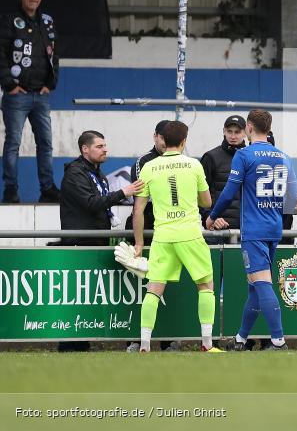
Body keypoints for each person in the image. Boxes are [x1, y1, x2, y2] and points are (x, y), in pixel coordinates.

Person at [206, 109, 297, 352]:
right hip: (274, 227)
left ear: (249, 127)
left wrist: (212, 215)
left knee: (263, 284)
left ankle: (278, 341)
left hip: (254, 230)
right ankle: (240, 339)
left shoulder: (244, 155)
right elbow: (293, 199)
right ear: (268, 129)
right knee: (255, 286)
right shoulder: (284, 156)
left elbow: (228, 192)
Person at [132, 121, 219, 353]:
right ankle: (207, 343)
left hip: (163, 236)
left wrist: (139, 242)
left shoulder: (149, 167)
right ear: (183, 142)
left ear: (163, 140)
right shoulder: (194, 165)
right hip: (190, 234)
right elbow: (207, 202)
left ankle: (144, 345)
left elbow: (138, 209)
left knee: (153, 289)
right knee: (205, 286)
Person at [58, 130, 144, 353]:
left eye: (105, 145)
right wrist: (123, 192)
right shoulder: (75, 173)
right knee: (76, 297)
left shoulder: (97, 174)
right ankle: (70, 346)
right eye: (99, 146)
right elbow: (90, 203)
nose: (105, 149)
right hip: (79, 243)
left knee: (88, 297)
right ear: (85, 149)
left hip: (95, 242)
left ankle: (81, 344)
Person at [0, 0, 60, 203]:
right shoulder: (9, 20)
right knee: (13, 143)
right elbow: (1, 54)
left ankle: (47, 189)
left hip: (41, 95)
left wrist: (50, 84)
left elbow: (55, 54)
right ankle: (11, 190)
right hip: (17, 96)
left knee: (45, 143)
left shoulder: (47, 21)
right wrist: (9, 85)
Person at [200, 115, 248, 237]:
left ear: (245, 132)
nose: (233, 136)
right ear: (223, 131)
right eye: (229, 131)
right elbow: (199, 193)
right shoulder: (210, 157)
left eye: (237, 132)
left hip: (247, 230)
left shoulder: (252, 158)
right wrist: (210, 217)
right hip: (217, 231)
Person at [125, 120, 170, 231]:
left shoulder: (182, 162)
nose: (166, 143)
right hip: (148, 225)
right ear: (155, 136)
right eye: (163, 138)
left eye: (170, 139)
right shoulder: (143, 162)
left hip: (172, 225)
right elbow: (142, 196)